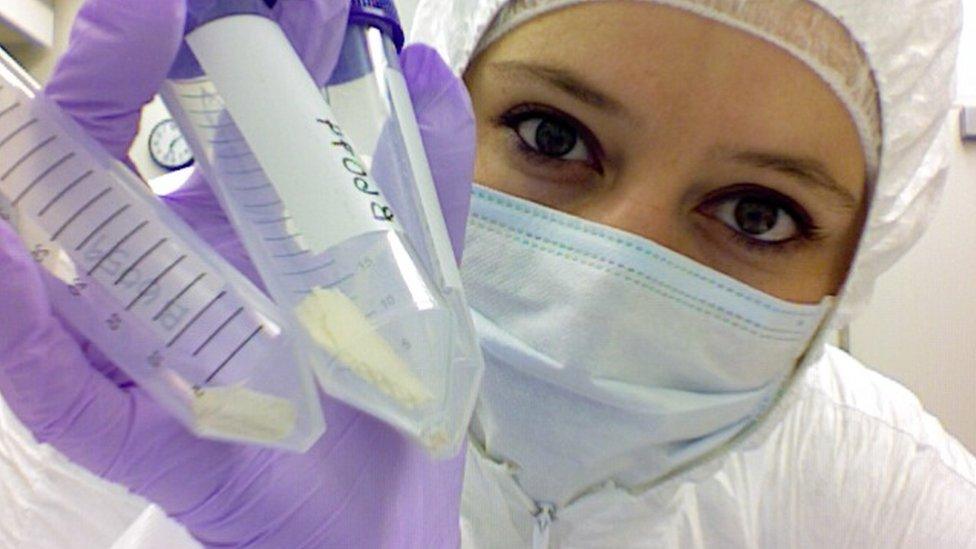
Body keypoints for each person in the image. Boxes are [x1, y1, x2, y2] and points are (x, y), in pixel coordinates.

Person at [0, 0, 974, 547]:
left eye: (758, 214)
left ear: (844, 281)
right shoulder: (142, 409)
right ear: (435, 95)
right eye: (553, 135)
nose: (602, 284)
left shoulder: (879, 492)